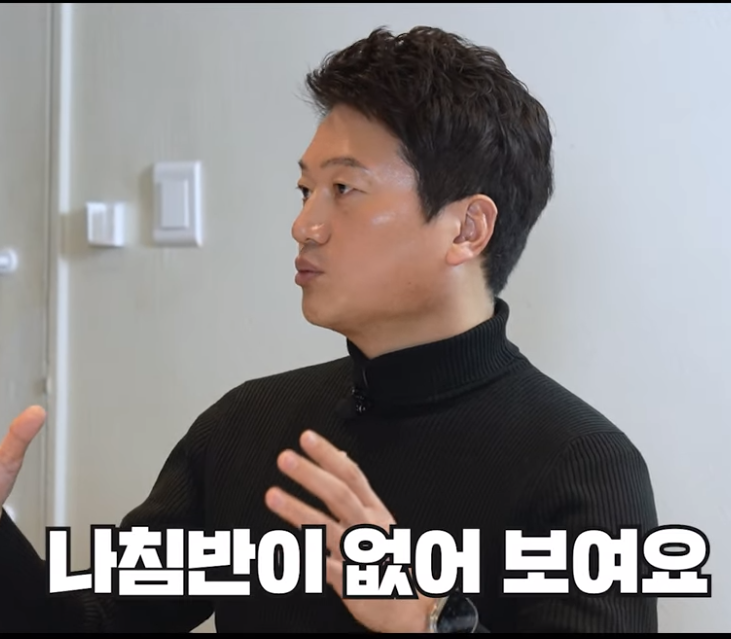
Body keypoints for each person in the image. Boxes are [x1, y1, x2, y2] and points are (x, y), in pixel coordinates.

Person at [0, 25, 658, 633]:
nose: (304, 225)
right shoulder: (245, 426)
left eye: (343, 189)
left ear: (466, 228)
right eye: (304, 190)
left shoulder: (582, 464)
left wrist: (430, 619)